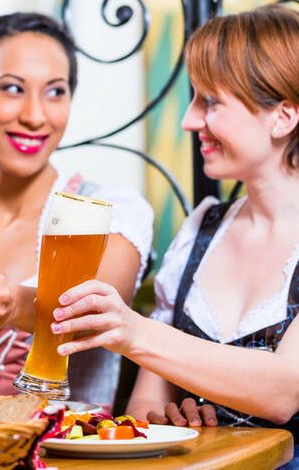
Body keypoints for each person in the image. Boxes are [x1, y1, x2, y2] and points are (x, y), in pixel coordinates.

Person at [45, 4, 299, 451]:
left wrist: (135, 331)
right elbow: (145, 405)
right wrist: (169, 421)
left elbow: (282, 392)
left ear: (283, 116)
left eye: (210, 102)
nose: (189, 121)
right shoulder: (201, 229)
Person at [0, 13, 153, 407]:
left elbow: (94, 311)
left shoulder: (111, 211)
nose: (36, 116)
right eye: (13, 88)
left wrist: (14, 305)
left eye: (55, 92)